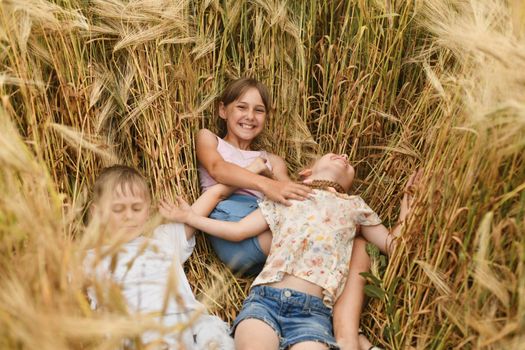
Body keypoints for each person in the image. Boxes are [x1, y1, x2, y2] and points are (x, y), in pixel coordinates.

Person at [160, 153, 417, 350]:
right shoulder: (287, 197)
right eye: (333, 155)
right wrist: (190, 217)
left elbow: (394, 246)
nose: (345, 157)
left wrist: (409, 207)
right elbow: (238, 231)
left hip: (314, 314)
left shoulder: (356, 208)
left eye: (350, 164)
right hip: (265, 301)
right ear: (307, 173)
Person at [85, 165, 239, 350]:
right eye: (118, 209)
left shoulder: (162, 240)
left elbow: (215, 195)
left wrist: (254, 174)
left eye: (136, 208)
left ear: (148, 211)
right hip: (137, 331)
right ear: (97, 213)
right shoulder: (90, 258)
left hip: (189, 327)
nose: (128, 216)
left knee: (215, 338)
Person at [196, 77, 312, 275]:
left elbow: (288, 193)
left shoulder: (272, 160)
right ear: (223, 110)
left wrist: (315, 181)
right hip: (230, 227)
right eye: (242, 107)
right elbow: (218, 169)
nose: (250, 116)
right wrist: (264, 183)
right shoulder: (209, 139)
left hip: (263, 226)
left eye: (259, 110)